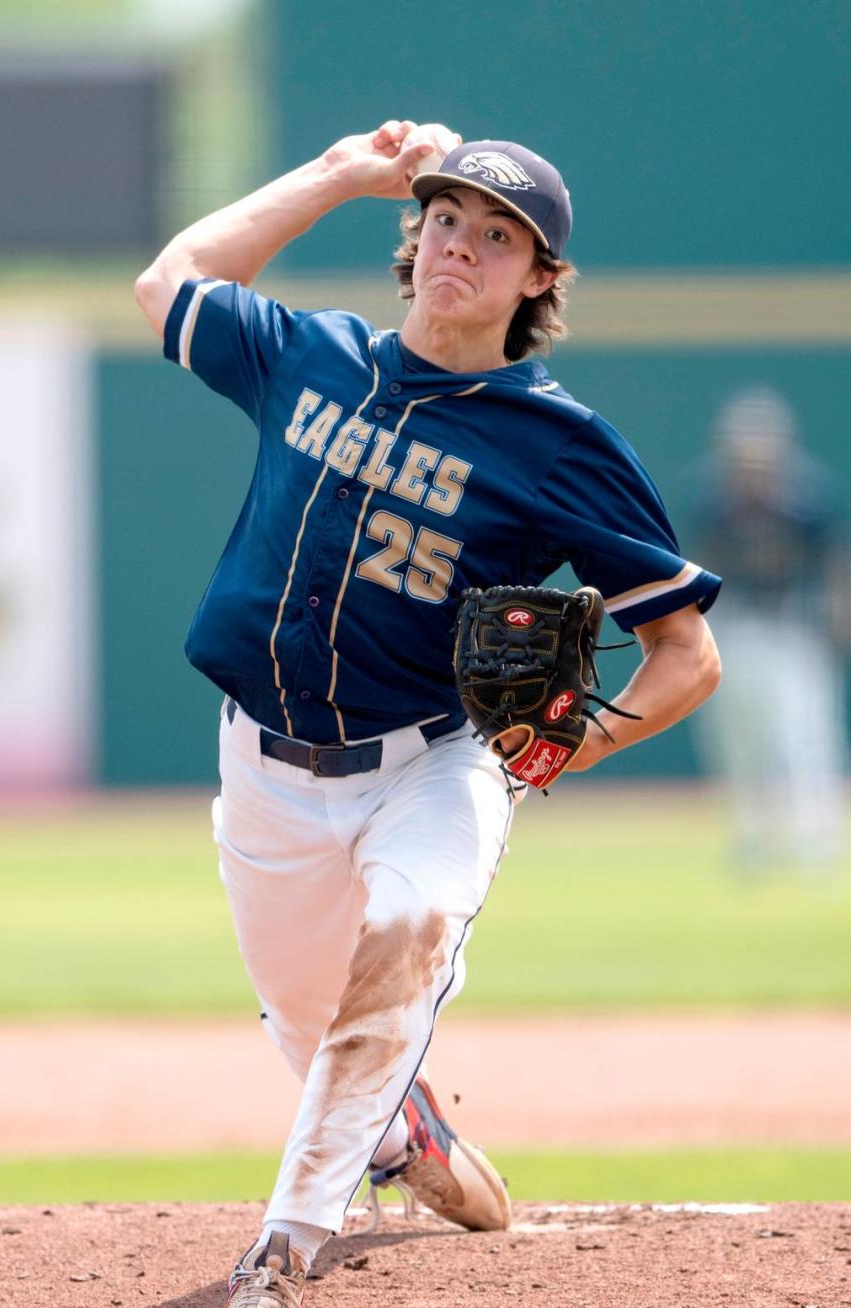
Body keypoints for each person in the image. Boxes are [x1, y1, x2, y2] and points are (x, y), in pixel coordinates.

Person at [135, 121, 722, 1306]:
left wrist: (577, 744)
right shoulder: (313, 355)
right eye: (447, 218)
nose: (462, 245)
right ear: (415, 237)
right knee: (316, 1027)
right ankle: (411, 1142)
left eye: (499, 236)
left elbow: (686, 654)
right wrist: (344, 174)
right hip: (265, 769)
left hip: (434, 765)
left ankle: (291, 1240)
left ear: (542, 278)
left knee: (408, 930)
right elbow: (171, 284)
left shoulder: (560, 446)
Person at [687, 385, 849, 871]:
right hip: (734, 628)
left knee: (803, 738)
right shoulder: (714, 500)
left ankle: (813, 838)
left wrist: (836, 619)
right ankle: (751, 838)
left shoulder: (806, 501)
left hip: (793, 628)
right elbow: (702, 565)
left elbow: (834, 566)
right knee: (739, 743)